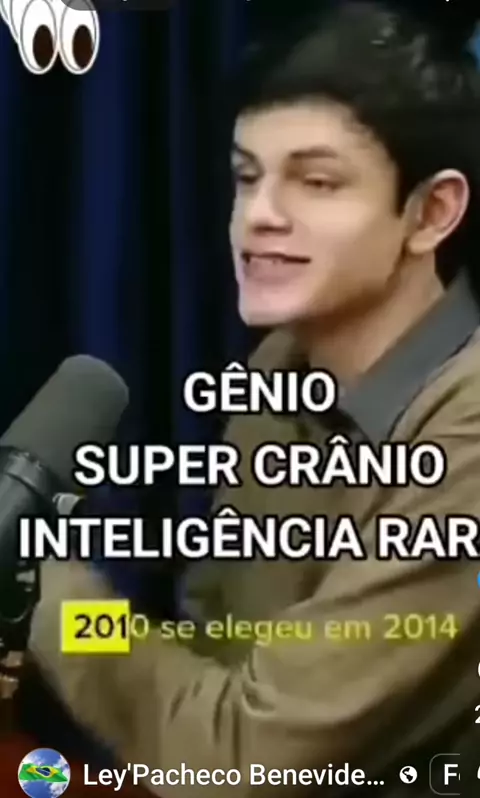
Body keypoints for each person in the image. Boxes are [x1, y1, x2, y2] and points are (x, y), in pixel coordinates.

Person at [27, 2, 480, 795]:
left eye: (316, 182)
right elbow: (217, 656)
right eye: (246, 177)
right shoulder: (282, 366)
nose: (259, 217)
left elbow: (244, 758)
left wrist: (36, 586)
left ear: (431, 212)